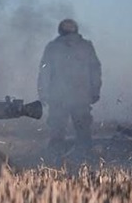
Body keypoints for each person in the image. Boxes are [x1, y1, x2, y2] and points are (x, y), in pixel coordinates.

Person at [37, 19, 102, 152]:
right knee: (83, 132)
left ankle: (54, 160)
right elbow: (95, 70)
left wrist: (43, 93)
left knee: (57, 131)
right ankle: (85, 159)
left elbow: (44, 72)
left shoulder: (52, 47)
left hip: (58, 97)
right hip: (81, 96)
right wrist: (95, 90)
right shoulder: (86, 46)